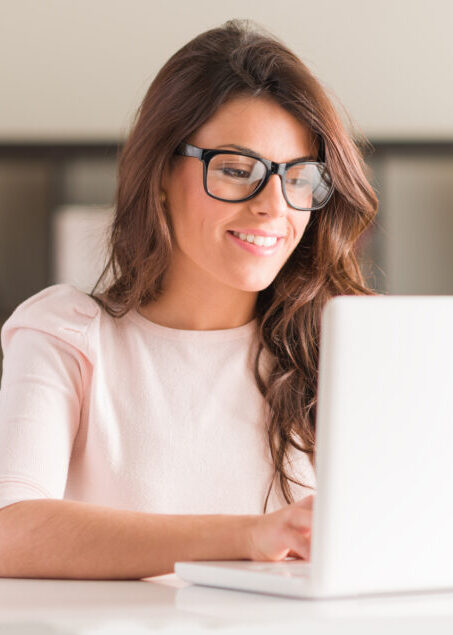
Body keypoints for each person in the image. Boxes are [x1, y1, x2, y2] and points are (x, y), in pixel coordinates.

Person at [0, 19, 377, 579]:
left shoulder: (338, 347)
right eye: (235, 169)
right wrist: (251, 535)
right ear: (158, 176)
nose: (275, 205)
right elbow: (12, 531)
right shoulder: (67, 331)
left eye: (299, 178)